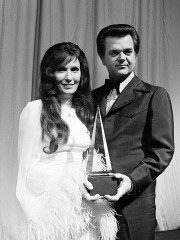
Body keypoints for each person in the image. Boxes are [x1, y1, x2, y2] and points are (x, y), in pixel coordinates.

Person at [16, 42, 118, 240]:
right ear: (50, 73)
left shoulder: (84, 110)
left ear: (82, 74)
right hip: (52, 211)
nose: (69, 77)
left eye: (75, 69)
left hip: (85, 209)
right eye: (62, 70)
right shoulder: (35, 109)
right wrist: (70, 187)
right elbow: (27, 169)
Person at [91, 24, 174, 240]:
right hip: (94, 204)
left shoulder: (155, 95)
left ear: (135, 54)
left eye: (127, 51)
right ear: (102, 58)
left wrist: (130, 181)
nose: (122, 58)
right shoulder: (90, 98)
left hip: (135, 205)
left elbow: (162, 151)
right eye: (114, 52)